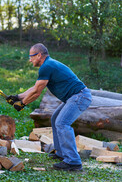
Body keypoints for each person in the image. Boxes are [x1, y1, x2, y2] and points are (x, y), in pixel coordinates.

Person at [6, 43, 92, 171]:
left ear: (39, 55)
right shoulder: (48, 65)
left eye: (31, 56)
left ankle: (73, 162)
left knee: (62, 123)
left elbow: (36, 93)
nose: (30, 59)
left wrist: (23, 104)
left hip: (79, 97)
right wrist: (18, 97)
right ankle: (62, 153)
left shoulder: (46, 66)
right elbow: (34, 88)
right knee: (55, 119)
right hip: (74, 97)